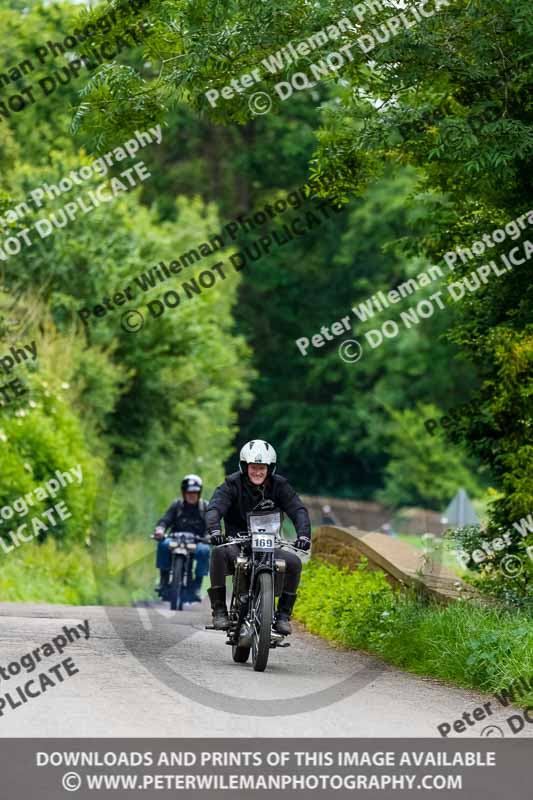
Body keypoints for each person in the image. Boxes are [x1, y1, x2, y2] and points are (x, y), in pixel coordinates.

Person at [206, 440, 311, 635]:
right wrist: (214, 531)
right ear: (245, 467)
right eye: (254, 467)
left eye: (262, 468)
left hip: (269, 542)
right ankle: (219, 611)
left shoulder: (280, 485)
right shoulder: (232, 484)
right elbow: (215, 508)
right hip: (237, 542)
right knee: (218, 553)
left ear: (269, 468)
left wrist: (304, 535)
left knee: (295, 562)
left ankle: (282, 616)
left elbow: (298, 510)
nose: (257, 472)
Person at [153, 474, 210, 603]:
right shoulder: (177, 505)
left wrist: (209, 536)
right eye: (189, 492)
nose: (192, 495)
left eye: (195, 492)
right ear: (184, 492)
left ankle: (197, 586)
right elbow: (165, 520)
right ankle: (163, 580)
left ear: (199, 493)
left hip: (197, 542)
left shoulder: (205, 507)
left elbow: (211, 526)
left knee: (205, 550)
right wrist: (160, 530)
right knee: (162, 544)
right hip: (175, 540)